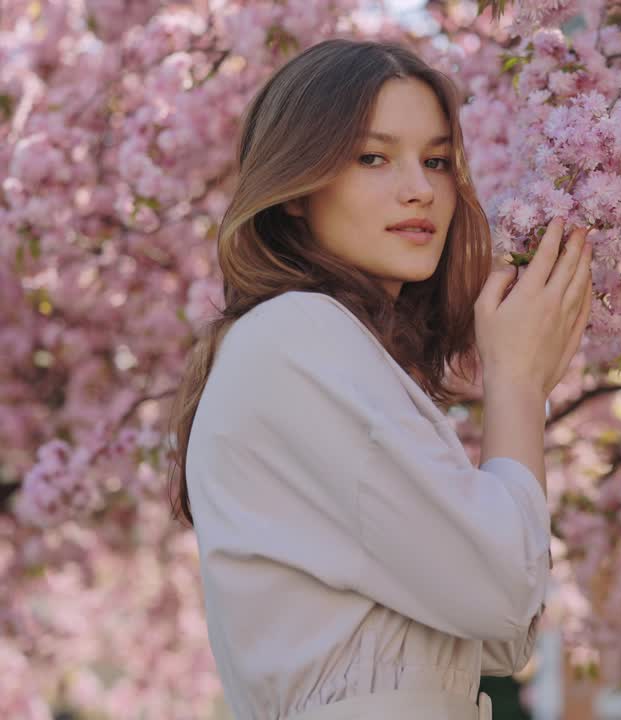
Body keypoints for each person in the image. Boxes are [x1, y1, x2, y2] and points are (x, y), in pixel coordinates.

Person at [166, 38, 593, 720]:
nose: (419, 188)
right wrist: (516, 383)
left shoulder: (326, 350)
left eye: (436, 161)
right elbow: (504, 596)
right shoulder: (297, 334)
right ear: (297, 188)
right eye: (373, 157)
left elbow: (503, 636)